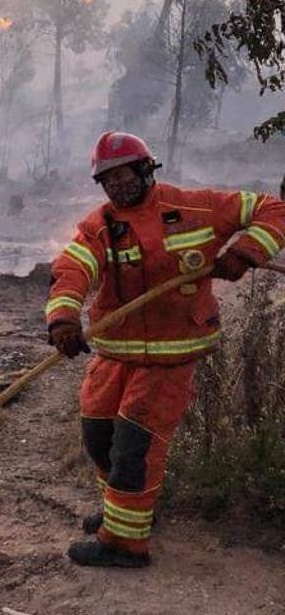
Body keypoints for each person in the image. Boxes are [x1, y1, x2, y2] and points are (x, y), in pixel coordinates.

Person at [45, 132, 285, 568]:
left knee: (135, 445)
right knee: (99, 435)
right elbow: (73, 266)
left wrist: (247, 251)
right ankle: (126, 513)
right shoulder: (100, 226)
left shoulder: (197, 208)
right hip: (116, 354)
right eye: (108, 178)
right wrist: (63, 318)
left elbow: (274, 209)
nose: (117, 185)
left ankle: (125, 544)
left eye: (123, 174)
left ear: (144, 169)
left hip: (169, 358)